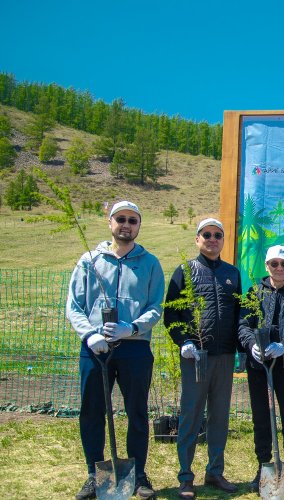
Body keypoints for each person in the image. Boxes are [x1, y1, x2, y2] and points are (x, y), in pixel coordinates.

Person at [67, 201, 165, 500]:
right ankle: (94, 475)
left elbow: (155, 307)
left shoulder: (149, 263)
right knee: (92, 411)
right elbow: (74, 306)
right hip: (96, 349)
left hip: (134, 349)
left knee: (137, 412)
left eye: (132, 220)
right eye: (120, 219)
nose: (126, 225)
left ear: (138, 226)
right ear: (110, 222)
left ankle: (138, 475)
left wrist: (132, 328)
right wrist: (89, 335)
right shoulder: (90, 260)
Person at [164, 218, 241, 498]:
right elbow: (171, 313)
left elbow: (238, 316)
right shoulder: (184, 271)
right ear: (197, 239)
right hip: (195, 356)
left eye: (217, 235)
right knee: (192, 416)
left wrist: (241, 351)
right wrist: (183, 341)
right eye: (206, 234)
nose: (212, 239)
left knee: (219, 417)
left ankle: (215, 471)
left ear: (223, 240)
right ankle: (185, 476)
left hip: (223, 356)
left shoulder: (233, 273)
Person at [238, 245, 284, 494]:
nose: (279, 268)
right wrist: (250, 346)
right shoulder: (254, 292)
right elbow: (243, 325)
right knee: (261, 418)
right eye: (274, 264)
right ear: (267, 266)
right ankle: (263, 466)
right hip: (258, 367)